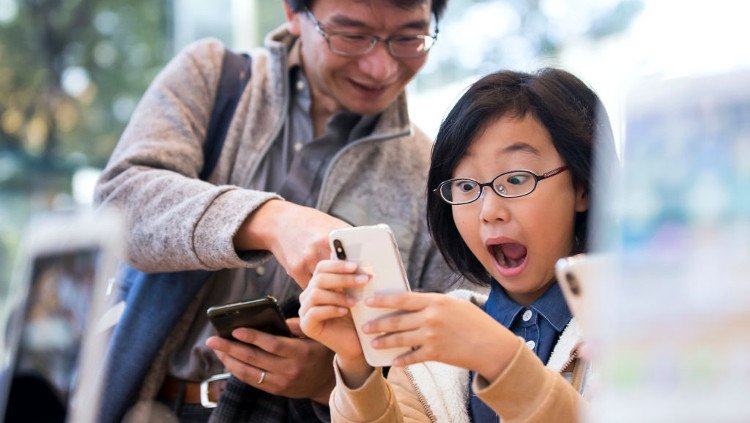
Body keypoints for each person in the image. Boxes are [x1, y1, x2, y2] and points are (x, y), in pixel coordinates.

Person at [93, 0, 461, 422]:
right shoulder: (214, 77)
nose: (381, 67)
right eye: (352, 36)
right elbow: (117, 207)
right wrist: (270, 221)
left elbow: (443, 376)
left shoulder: (431, 176)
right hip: (152, 404)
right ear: (292, 12)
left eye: (408, 38)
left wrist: (334, 378)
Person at [299, 68, 617, 422]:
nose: (489, 211)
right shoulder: (431, 351)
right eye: (465, 186)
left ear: (583, 187)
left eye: (515, 178)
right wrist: (356, 365)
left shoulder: (636, 323)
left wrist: (499, 357)